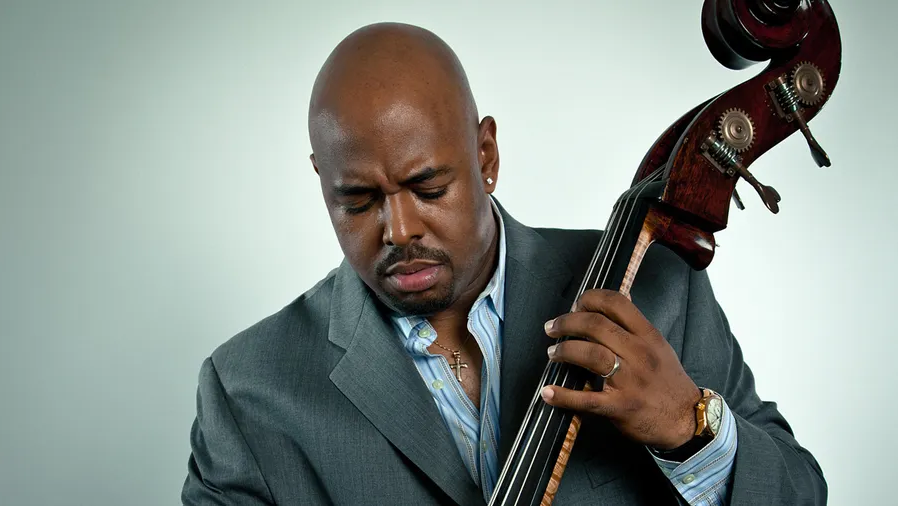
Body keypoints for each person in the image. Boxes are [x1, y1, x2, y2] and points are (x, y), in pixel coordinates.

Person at [181, 22, 826, 505]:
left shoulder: (654, 289)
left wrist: (687, 427)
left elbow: (801, 494)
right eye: (358, 200)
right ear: (322, 178)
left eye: (429, 187)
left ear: (486, 155)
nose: (399, 230)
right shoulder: (247, 393)